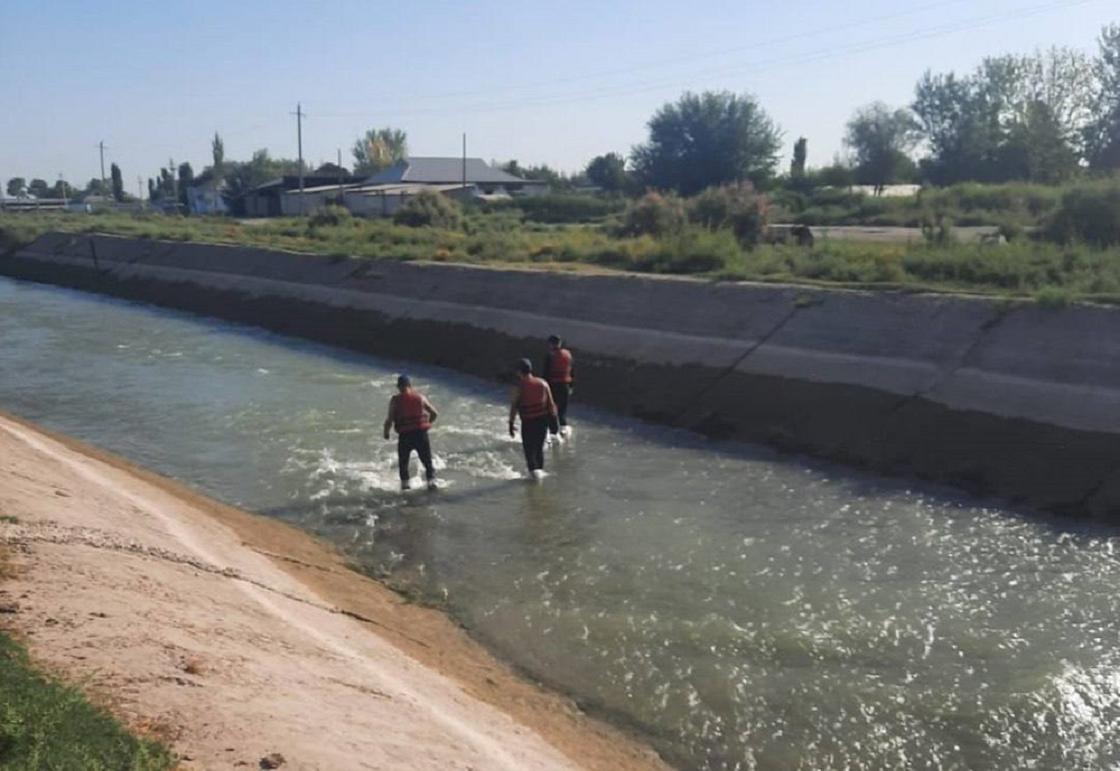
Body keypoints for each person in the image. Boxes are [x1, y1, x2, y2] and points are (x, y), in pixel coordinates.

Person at [383, 375, 439, 491]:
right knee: (427, 462)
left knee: (403, 464)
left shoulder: (395, 400)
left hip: (405, 436)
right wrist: (427, 425)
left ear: (398, 387)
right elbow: (434, 413)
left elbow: (390, 419)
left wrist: (386, 433)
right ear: (410, 385)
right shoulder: (420, 398)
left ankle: (405, 488)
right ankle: (431, 484)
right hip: (420, 434)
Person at [509, 358, 558, 480]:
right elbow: (551, 405)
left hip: (528, 422)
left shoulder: (519, 387)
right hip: (542, 421)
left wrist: (511, 424)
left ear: (519, 372)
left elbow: (514, 406)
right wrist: (554, 425)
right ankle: (540, 474)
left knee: (529, 451)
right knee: (539, 449)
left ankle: (533, 477)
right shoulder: (543, 383)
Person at [541, 335, 574, 437]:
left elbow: (545, 374)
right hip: (565, 386)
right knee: (562, 411)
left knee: (550, 410)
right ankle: (564, 429)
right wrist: (571, 387)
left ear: (551, 344)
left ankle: (552, 433)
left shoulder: (550, 356)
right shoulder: (568, 355)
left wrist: (543, 390)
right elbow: (572, 372)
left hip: (553, 386)